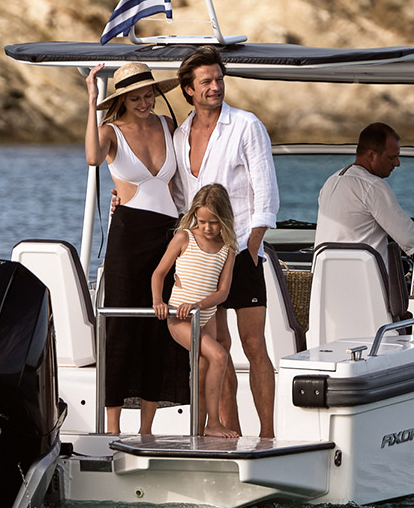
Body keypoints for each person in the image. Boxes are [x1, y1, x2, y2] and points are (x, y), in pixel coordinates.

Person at [170, 45, 281, 440]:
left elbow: (266, 193)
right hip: (202, 258)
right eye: (206, 82)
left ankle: (268, 434)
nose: (215, 87)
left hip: (242, 252)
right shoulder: (180, 134)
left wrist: (251, 247)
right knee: (219, 349)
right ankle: (228, 431)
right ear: (188, 90)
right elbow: (181, 198)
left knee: (254, 344)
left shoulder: (247, 125)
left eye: (219, 79)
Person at [85, 64, 187, 436]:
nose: (144, 102)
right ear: (122, 100)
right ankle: (112, 427)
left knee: (161, 326)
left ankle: (147, 427)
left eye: (149, 95)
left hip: (168, 234)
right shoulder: (110, 131)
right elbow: (93, 158)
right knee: (122, 326)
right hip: (128, 237)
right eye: (136, 97)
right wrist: (92, 99)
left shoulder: (167, 125)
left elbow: (180, 182)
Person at [152, 183, 241, 439]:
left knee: (202, 373)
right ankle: (214, 422)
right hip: (180, 318)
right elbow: (159, 274)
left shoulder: (228, 248)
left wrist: (200, 305)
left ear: (223, 219)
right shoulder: (184, 238)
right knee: (220, 356)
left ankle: (199, 430)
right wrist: (158, 301)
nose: (206, 228)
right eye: (201, 221)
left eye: (213, 222)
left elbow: (223, 292)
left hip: (205, 314)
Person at [314, 121, 414, 320]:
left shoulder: (331, 181)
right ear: (371, 155)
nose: (397, 164)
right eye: (392, 157)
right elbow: (411, 240)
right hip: (367, 294)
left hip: (329, 289)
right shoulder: (373, 186)